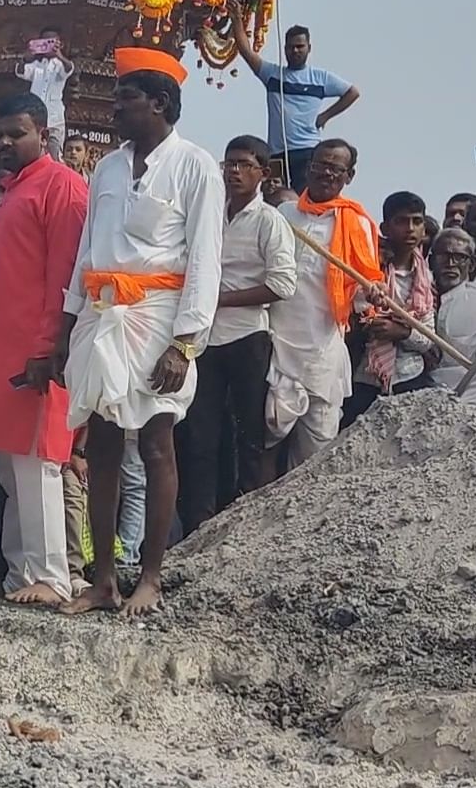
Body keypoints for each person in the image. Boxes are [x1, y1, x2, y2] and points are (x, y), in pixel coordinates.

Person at [53, 47, 221, 616]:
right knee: (99, 446)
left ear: (160, 104)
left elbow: (205, 260)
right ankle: (101, 580)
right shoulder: (105, 167)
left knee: (155, 444)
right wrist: (67, 324)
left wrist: (185, 343)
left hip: (159, 320)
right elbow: (85, 251)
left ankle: (150, 576)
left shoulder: (197, 166)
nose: (114, 109)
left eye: (125, 99)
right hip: (101, 316)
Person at [0, 92, 87, 607]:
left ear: (43, 135)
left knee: (39, 461)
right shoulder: (12, 192)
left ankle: (53, 576)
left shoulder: (63, 187)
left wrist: (50, 347)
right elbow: (12, 277)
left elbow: (65, 277)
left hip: (37, 349)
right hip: (3, 346)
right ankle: (23, 573)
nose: (4, 143)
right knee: (11, 465)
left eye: (16, 134)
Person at [176, 134, 295, 534]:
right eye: (229, 163)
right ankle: (198, 525)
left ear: (264, 172)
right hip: (205, 337)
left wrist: (217, 299)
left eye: (245, 164)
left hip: (247, 337)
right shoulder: (208, 212)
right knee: (200, 435)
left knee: (250, 435)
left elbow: (282, 285)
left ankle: (245, 528)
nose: (234, 171)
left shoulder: (269, 221)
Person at [266, 139, 383, 469]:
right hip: (276, 343)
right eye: (321, 165)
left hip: (320, 351)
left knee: (314, 453)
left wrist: (372, 293)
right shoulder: (283, 215)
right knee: (264, 444)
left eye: (336, 168)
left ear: (350, 176)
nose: (326, 173)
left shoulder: (356, 223)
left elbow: (363, 289)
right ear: (308, 167)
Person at [343, 192, 435, 423]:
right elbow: (354, 311)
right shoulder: (367, 269)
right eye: (401, 221)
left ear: (424, 229)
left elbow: (427, 338)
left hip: (409, 376)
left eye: (417, 221)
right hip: (365, 377)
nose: (410, 229)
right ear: (385, 227)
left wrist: (402, 332)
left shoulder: (426, 278)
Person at [235, 25, 360, 193]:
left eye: (300, 46)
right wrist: (237, 20)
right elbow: (246, 51)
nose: (295, 50)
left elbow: (352, 92)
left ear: (309, 48)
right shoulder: (273, 75)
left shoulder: (320, 78)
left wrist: (325, 116)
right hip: (277, 153)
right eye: (290, 47)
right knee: (275, 198)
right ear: (285, 49)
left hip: (307, 151)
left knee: (304, 198)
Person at [427, 226, 476, 399]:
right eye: (444, 256)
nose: (451, 263)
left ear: (471, 264)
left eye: (460, 257)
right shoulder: (419, 298)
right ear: (432, 261)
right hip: (425, 393)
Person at [17, 27, 75, 157]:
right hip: (34, 118)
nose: (47, 45)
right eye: (44, 42)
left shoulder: (60, 65)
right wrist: (25, 58)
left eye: (51, 42)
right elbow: (21, 72)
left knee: (54, 153)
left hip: (54, 118)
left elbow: (69, 68)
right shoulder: (37, 65)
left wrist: (59, 54)